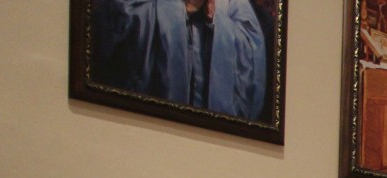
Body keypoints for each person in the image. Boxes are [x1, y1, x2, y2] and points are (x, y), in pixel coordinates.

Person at [92, 0, 269, 121]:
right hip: (148, 125)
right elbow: (116, 20)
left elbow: (253, 49)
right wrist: (180, 9)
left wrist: (215, 18)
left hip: (212, 138)